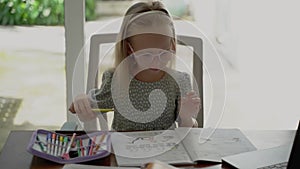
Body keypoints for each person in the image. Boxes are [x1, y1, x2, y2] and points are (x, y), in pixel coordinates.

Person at [69, 0, 201, 131]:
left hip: (168, 151)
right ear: (129, 49)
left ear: (172, 45)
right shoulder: (116, 80)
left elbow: (189, 133)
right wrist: (81, 101)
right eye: (146, 55)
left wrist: (187, 118)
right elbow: (86, 113)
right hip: (122, 151)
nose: (156, 62)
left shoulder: (179, 81)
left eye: (163, 53)